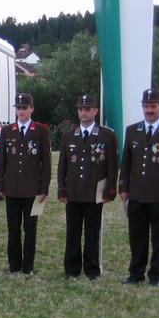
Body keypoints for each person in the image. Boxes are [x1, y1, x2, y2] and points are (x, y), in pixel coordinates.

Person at [118, 88, 159, 287]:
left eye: (153, 106)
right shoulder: (133, 130)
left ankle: (156, 275)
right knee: (136, 236)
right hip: (136, 193)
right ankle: (136, 273)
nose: (149, 110)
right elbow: (126, 163)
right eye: (146, 106)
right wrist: (123, 187)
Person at [57, 94, 119, 280]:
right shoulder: (69, 136)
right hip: (74, 191)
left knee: (92, 232)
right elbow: (63, 166)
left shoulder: (107, 135)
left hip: (94, 192)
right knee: (72, 232)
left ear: (95, 111)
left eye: (87, 109)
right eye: (81, 109)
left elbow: (112, 165)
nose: (83, 112)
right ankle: (71, 269)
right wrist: (61, 189)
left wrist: (110, 190)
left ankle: (92, 269)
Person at [0, 92, 52, 275]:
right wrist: (0, 185)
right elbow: (2, 160)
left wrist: (44, 189)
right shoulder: (7, 131)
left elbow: (46, 162)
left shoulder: (41, 131)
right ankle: (14, 265)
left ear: (31, 109)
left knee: (30, 228)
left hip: (33, 190)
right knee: (13, 229)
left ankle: (28, 266)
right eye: (18, 108)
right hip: (12, 188)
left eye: (24, 108)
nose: (21, 111)